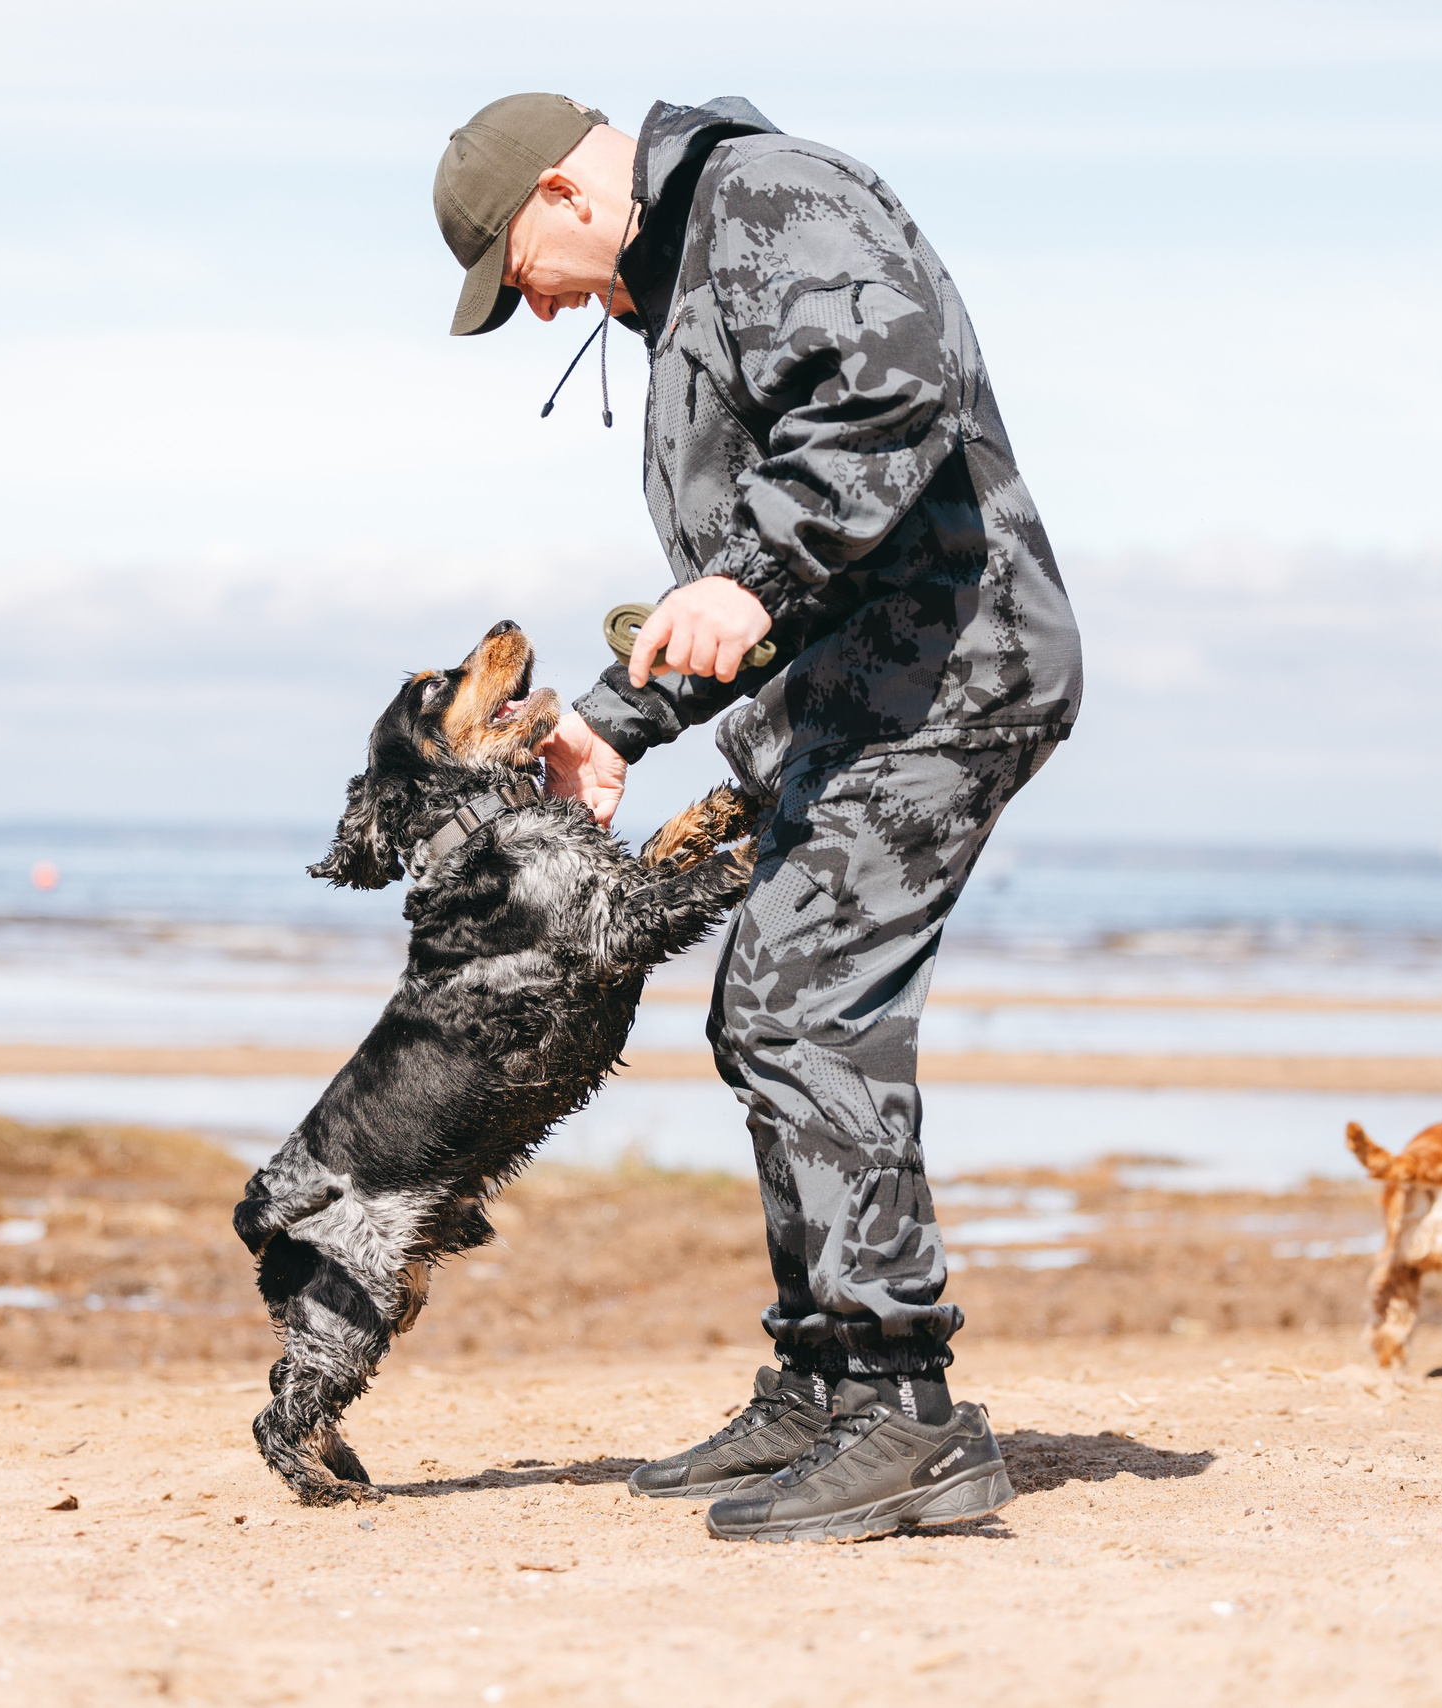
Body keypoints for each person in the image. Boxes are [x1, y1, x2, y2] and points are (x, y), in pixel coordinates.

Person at [431, 94, 1083, 1542]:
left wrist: (757, 572)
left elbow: (890, 384)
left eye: (515, 272)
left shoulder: (767, 199)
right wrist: (617, 721)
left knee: (805, 1011)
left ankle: (903, 1411)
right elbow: (738, 584)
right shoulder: (683, 284)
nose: (534, 313)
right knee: (761, 1013)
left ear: (564, 189)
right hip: (859, 695)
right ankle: (826, 1381)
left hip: (946, 680)